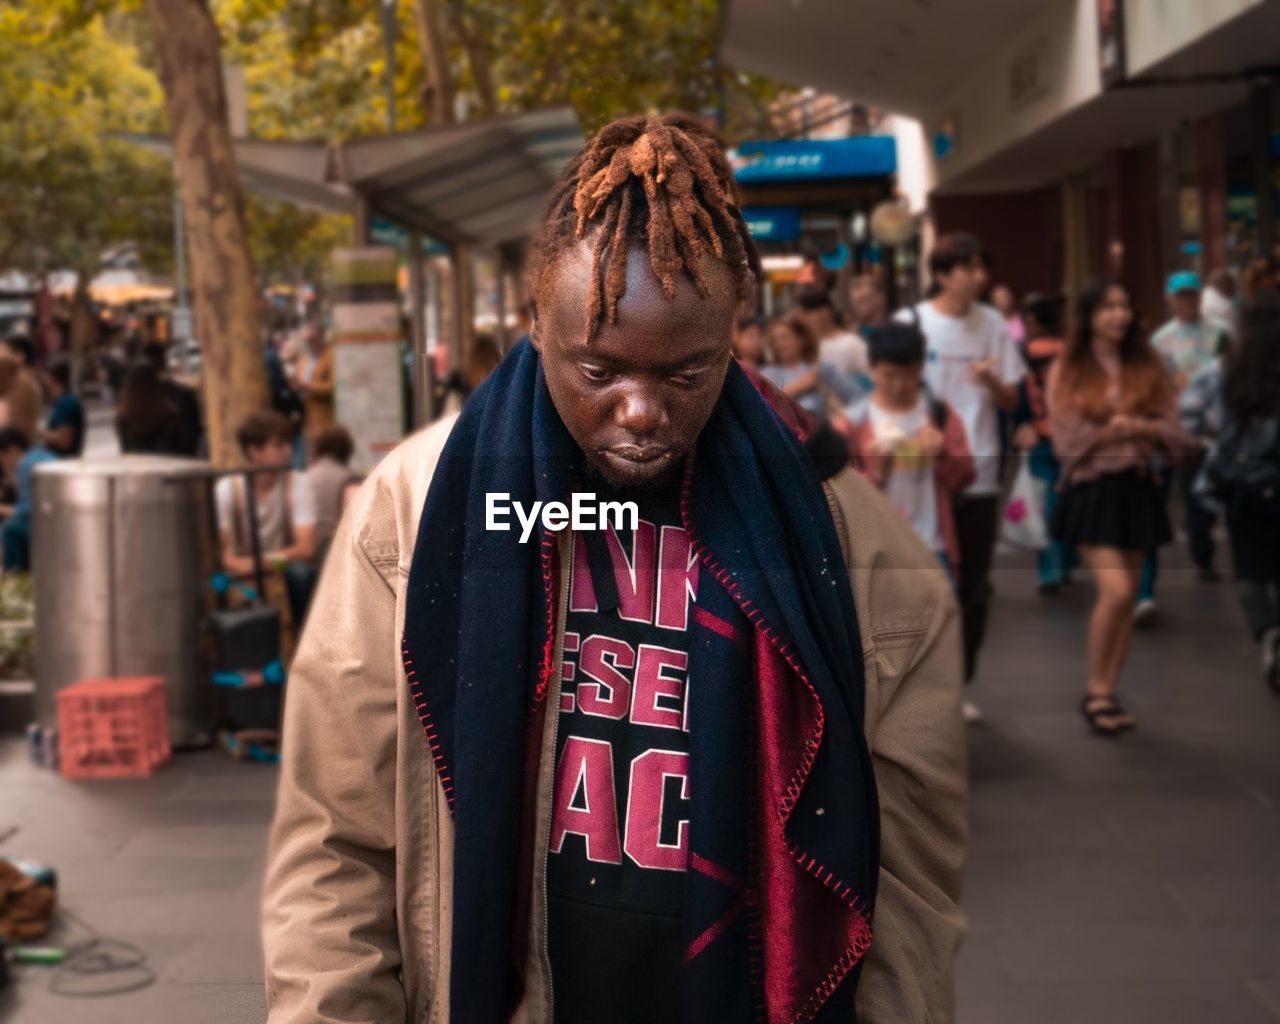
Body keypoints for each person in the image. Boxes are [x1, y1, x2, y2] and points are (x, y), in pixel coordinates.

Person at [262, 113, 966, 1024]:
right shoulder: (416, 504)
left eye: (685, 375)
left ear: (732, 338)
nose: (640, 412)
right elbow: (337, 837)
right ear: (535, 327)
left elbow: (905, 887)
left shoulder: (849, 534)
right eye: (599, 370)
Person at [1048, 278, 1184, 735]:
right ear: (1089, 315)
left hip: (1138, 488)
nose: (1118, 315)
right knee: (1119, 591)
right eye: (1107, 307)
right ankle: (1095, 688)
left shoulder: (1149, 363)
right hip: (1091, 489)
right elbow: (1066, 440)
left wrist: (1140, 429)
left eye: (1124, 306)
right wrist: (1123, 431)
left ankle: (1106, 689)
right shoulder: (1067, 368)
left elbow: (1173, 430)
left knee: (1125, 601)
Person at [897, 232, 1022, 712]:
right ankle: (918, 683)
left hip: (983, 471)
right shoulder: (914, 323)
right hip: (925, 472)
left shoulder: (993, 324)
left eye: (981, 268)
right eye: (968, 268)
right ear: (944, 274)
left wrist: (990, 379)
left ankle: (958, 683)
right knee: (919, 583)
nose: (979, 277)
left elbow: (1013, 399)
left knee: (972, 586)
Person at [846, 322, 975, 579]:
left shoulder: (940, 415)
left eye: (908, 374)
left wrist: (942, 454)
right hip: (880, 555)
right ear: (872, 370)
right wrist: (877, 474)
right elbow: (843, 501)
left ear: (920, 369)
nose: (899, 385)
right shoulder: (853, 423)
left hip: (933, 548)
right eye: (889, 375)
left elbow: (966, 477)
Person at [1198, 292, 1280, 691]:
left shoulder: (1224, 371)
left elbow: (1189, 411)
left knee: (1250, 573)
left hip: (1244, 487)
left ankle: (1267, 633)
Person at [1149, 270, 1229, 585]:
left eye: (1192, 295)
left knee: (1217, 489)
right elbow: (1159, 381)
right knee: (1193, 492)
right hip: (1183, 427)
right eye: (1180, 296)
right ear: (1170, 300)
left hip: (1218, 426)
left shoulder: (1221, 333)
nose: (1187, 302)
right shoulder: (1160, 340)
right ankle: (1202, 555)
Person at [215, 411, 318, 626]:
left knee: (302, 575)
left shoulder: (298, 482)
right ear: (255, 451)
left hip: (279, 565)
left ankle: (308, 644)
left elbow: (306, 548)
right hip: (260, 565)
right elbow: (224, 556)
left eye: (289, 444)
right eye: (279, 445)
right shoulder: (228, 489)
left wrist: (255, 564)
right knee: (217, 584)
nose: (289, 451)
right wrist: (246, 564)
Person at [1013, 294, 1075, 594]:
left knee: (1041, 503)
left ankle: (1049, 571)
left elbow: (1017, 399)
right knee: (1066, 498)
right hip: (1069, 436)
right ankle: (1068, 563)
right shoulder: (1070, 353)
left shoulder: (1022, 354)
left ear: (1034, 322)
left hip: (1037, 435)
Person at [760, 313, 859, 419]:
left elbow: (857, 397)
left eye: (785, 337)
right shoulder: (767, 374)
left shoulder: (820, 370)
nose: (779, 344)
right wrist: (798, 387)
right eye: (775, 340)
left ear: (801, 339)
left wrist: (843, 422)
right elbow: (763, 410)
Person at [0, 427, 56, 572]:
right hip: (56, 521)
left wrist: (3, 509)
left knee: (9, 529)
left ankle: (15, 577)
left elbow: (26, 510)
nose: (3, 464)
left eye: (2, 458)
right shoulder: (42, 454)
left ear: (11, 451)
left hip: (45, 526)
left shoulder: (24, 465)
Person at [303, 424, 359, 561]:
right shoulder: (352, 478)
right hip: (337, 554)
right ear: (347, 449)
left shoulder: (304, 478)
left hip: (306, 555)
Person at [794, 284, 870, 378]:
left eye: (820, 311)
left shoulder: (852, 343)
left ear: (829, 311)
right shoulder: (800, 346)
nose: (816, 317)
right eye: (809, 313)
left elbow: (869, 378)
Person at [143, 343, 202, 456]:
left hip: (144, 463)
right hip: (180, 459)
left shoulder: (133, 396)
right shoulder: (180, 393)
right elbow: (193, 431)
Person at [115, 362, 186, 455]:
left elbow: (125, 451)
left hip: (140, 466)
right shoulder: (169, 414)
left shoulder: (124, 418)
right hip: (172, 462)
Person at [293, 322, 335, 443]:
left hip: (324, 417)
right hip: (306, 417)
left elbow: (334, 387)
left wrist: (309, 386)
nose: (310, 342)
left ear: (322, 337)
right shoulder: (304, 358)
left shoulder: (330, 356)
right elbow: (298, 379)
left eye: (313, 338)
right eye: (307, 339)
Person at [0, 337, 43, 443]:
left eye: (2, 352)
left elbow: (4, 420)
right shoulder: (27, 379)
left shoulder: (18, 381)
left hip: (12, 450)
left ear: (19, 357)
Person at [40, 357, 84, 458]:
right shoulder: (61, 402)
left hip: (63, 462)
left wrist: (40, 432)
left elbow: (65, 441)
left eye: (45, 373)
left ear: (53, 377)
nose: (42, 377)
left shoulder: (67, 403)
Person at [1201, 268, 1238, 338]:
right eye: (1232, 285)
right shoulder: (1225, 306)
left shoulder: (1203, 297)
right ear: (1225, 285)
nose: (1235, 288)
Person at [850, 274, 888, 339]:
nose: (856, 307)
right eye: (855, 302)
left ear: (880, 299)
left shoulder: (900, 336)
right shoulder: (853, 337)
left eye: (862, 301)